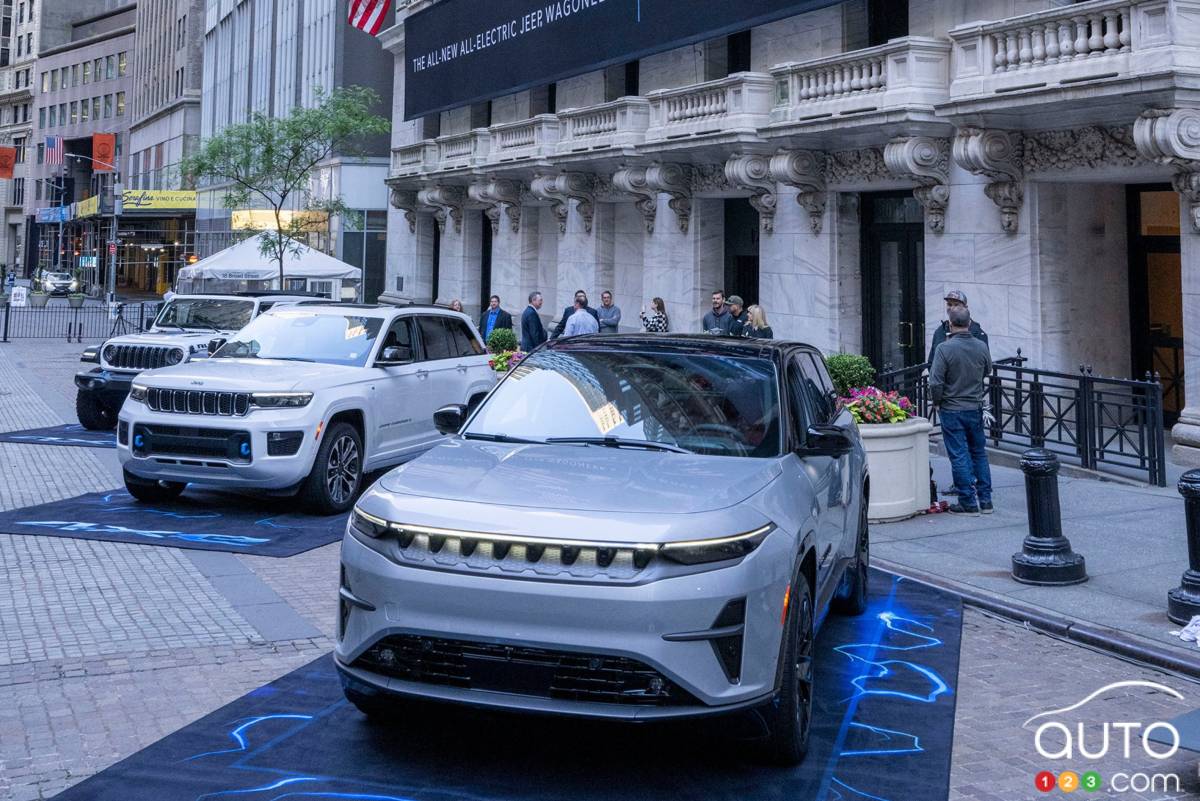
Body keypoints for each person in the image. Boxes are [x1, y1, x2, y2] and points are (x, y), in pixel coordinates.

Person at [930, 305, 994, 515]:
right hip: (974, 406)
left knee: (958, 455)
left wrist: (937, 401)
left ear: (950, 324)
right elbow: (988, 370)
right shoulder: (980, 347)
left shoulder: (944, 348)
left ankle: (967, 500)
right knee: (979, 453)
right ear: (969, 323)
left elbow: (935, 382)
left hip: (952, 408)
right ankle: (986, 501)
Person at [928, 290, 988, 364]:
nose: (952, 308)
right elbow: (931, 361)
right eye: (949, 304)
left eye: (956, 305)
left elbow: (985, 366)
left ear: (965, 308)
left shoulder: (978, 333)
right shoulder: (940, 331)